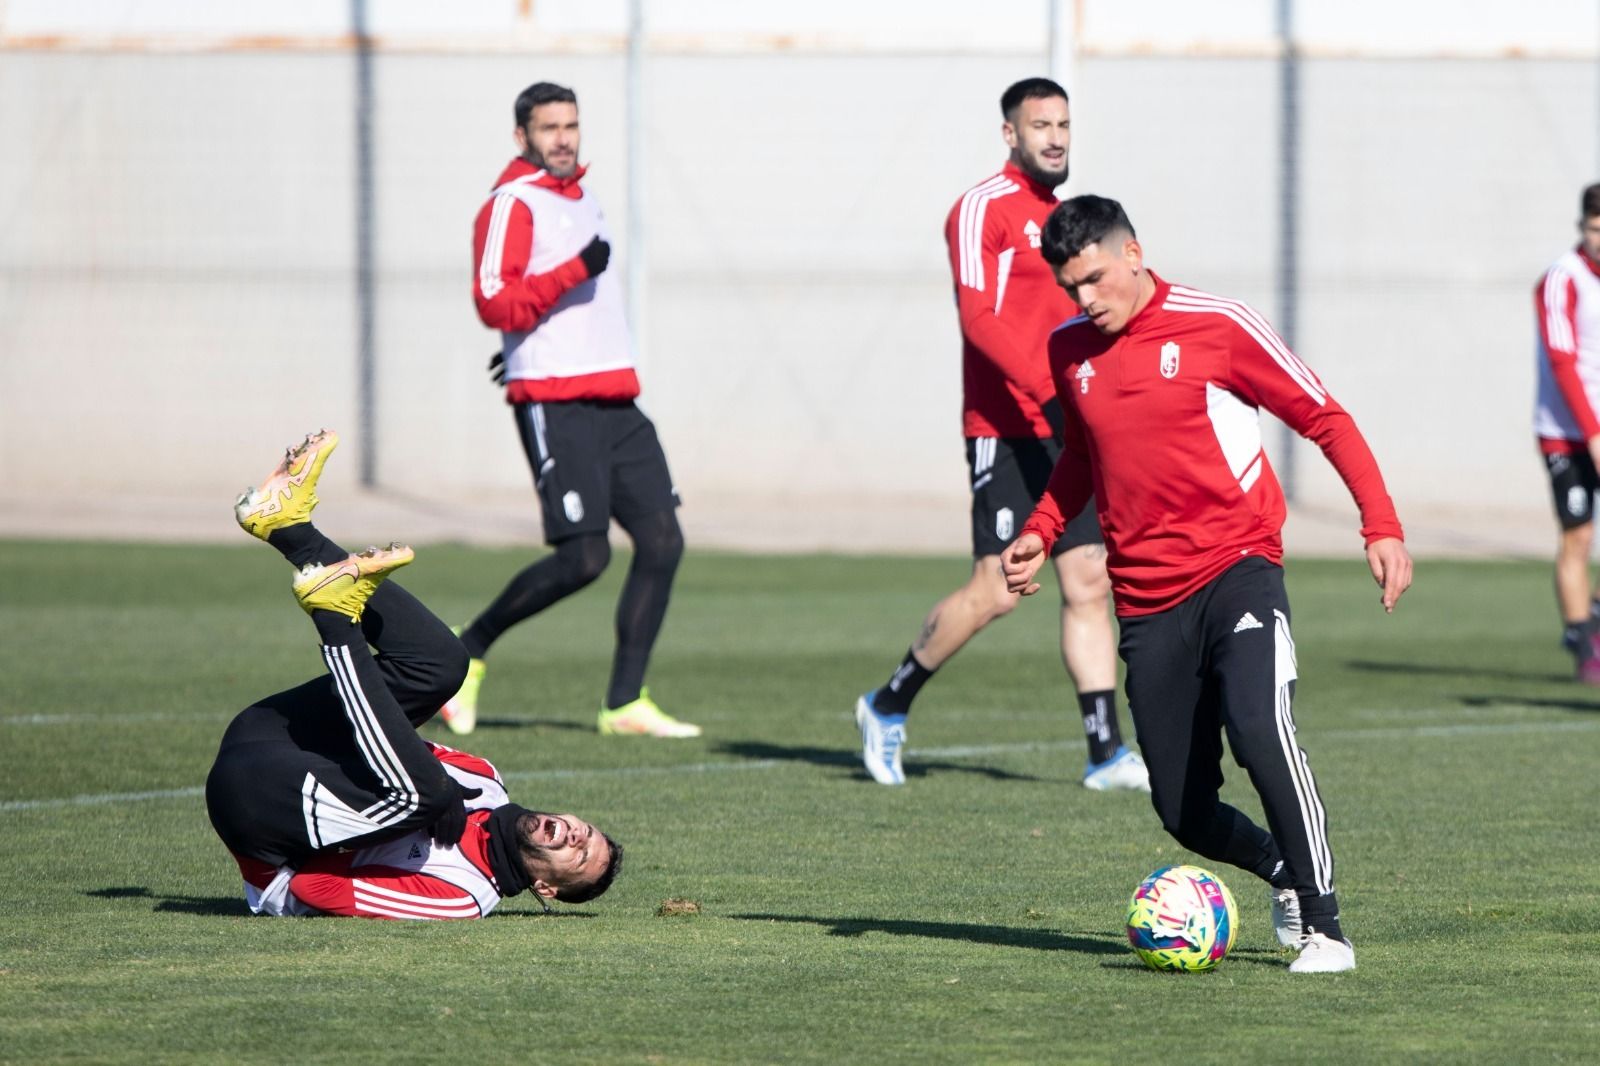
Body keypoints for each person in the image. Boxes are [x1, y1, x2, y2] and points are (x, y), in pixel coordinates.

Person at [1000, 196, 1412, 973]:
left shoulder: (1218, 324)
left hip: (1237, 570)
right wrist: (1041, 529)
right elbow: (1083, 458)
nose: (1085, 300)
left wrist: (1380, 524)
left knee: (1260, 729)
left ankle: (1326, 927)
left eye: (1093, 279)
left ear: (1132, 254)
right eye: (1069, 288)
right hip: (1149, 603)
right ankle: (1281, 868)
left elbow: (1324, 415)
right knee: (1182, 811)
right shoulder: (1069, 350)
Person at [853, 77, 1145, 791]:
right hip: (1006, 425)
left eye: (1064, 125)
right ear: (1010, 134)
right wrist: (1047, 392)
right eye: (1040, 124)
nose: (1055, 137)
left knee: (1087, 579)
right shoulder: (981, 208)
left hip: (1064, 424)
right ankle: (887, 705)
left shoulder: (1073, 219)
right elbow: (979, 319)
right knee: (999, 589)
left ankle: (1105, 753)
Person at [206, 431, 623, 919]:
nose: (575, 835)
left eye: (578, 856)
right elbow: (383, 737)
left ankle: (335, 619)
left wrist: (421, 808)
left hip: (257, 810)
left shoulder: (464, 895)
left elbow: (312, 888)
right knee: (443, 665)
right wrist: (435, 795)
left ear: (544, 888)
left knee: (425, 793)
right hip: (268, 733)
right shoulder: (486, 780)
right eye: (585, 830)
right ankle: (287, 525)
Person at [443, 80, 698, 739]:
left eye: (571, 125)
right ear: (522, 135)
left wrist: (535, 333)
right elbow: (495, 303)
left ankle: (623, 704)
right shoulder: (510, 204)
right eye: (549, 127)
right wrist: (568, 280)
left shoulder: (583, 199)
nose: (562, 138)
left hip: (615, 398)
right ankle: (466, 650)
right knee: (585, 558)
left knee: (664, 541)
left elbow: (553, 310)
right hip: (557, 404)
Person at [1534, 182, 1600, 680]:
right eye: (1595, 228)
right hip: (1566, 433)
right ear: (1582, 227)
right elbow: (1563, 362)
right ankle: (1583, 644)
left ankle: (1592, 612)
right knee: (1577, 536)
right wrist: (1593, 434)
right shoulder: (1562, 279)